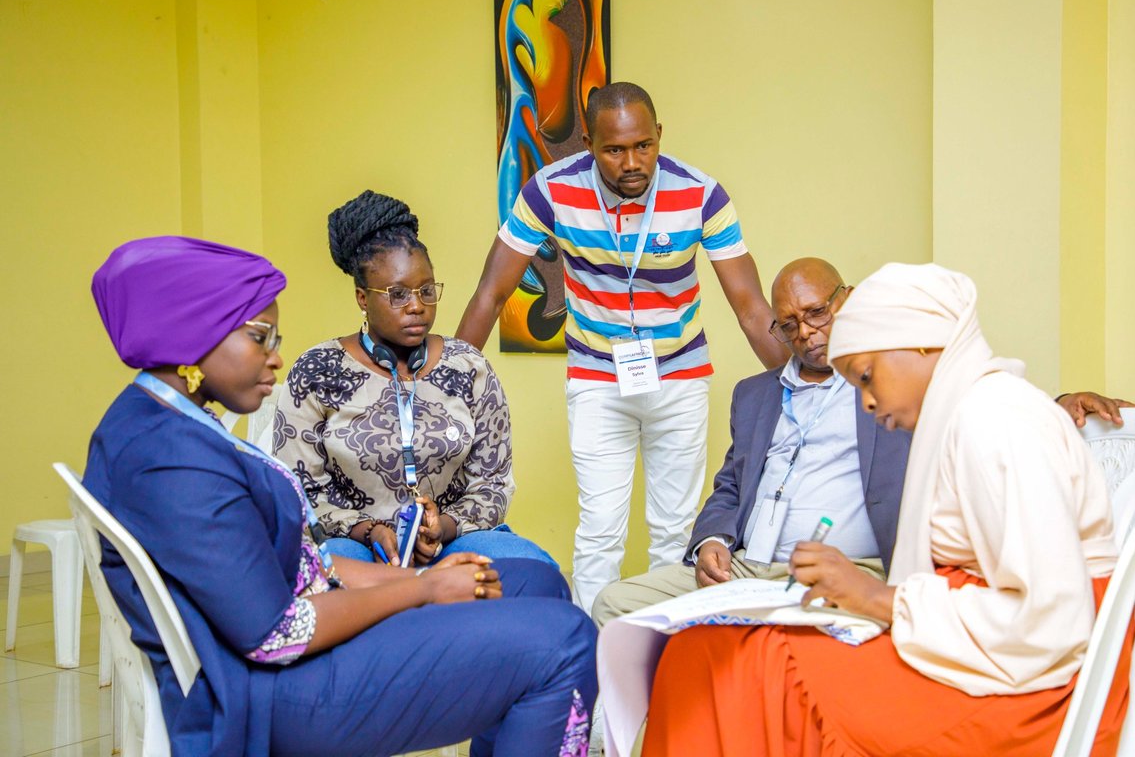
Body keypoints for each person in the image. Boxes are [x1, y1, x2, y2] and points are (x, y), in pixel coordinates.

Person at [85, 236, 596, 756]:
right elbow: (275, 634)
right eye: (260, 338)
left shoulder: (165, 423)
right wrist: (421, 590)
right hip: (276, 696)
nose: (275, 357)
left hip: (290, 657)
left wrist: (425, 573)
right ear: (192, 335)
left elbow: (291, 565)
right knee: (568, 640)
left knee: (534, 583)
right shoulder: (170, 459)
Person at [639, 262, 1134, 757]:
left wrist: (878, 599)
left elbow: (1050, 619)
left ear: (922, 344)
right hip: (975, 642)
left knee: (733, 664)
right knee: (706, 651)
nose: (868, 405)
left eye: (868, 378)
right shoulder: (967, 413)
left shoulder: (997, 421)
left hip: (1033, 690)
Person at [592, 257, 1132, 627]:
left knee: (770, 652)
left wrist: (1056, 404)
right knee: (616, 604)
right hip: (745, 566)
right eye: (788, 325)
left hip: (853, 567)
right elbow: (730, 486)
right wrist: (710, 541)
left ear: (845, 300)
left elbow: (962, 384)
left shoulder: (889, 378)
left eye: (816, 314)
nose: (805, 333)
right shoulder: (754, 395)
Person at [457, 81, 790, 612]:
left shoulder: (702, 195)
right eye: (613, 150)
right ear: (588, 143)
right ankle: (591, 658)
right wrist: (447, 387)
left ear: (659, 135)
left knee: (676, 532)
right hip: (596, 381)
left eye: (643, 146)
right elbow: (492, 291)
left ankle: (658, 653)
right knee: (600, 532)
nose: (631, 162)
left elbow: (751, 307)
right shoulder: (549, 191)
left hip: (679, 380)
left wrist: (807, 385)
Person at [275, 190, 556, 567]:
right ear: (362, 297)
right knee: (330, 581)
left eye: (426, 290)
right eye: (398, 294)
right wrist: (370, 530)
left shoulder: (468, 366)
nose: (416, 306)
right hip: (352, 542)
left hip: (452, 538)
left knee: (535, 573)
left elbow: (492, 484)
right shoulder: (317, 371)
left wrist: (445, 527)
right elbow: (300, 492)